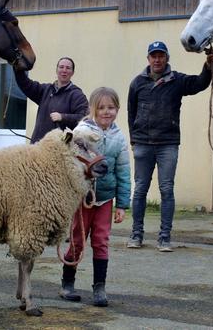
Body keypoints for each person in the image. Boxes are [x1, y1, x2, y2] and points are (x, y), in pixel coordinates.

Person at [126, 41, 213, 252]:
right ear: (148, 59)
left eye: (161, 56)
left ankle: (164, 238)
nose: (157, 60)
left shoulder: (177, 81)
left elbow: (200, 83)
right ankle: (136, 234)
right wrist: (134, 139)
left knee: (166, 190)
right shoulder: (137, 83)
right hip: (143, 144)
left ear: (167, 58)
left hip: (167, 144)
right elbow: (131, 112)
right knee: (140, 190)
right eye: (153, 56)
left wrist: (208, 66)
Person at [59, 87, 131, 307]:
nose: (106, 112)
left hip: (105, 198)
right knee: (78, 240)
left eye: (111, 108)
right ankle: (67, 283)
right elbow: (69, 162)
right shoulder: (80, 132)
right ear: (92, 109)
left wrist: (122, 204)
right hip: (83, 197)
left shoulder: (119, 137)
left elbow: (123, 171)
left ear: (117, 109)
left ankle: (99, 287)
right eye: (101, 108)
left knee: (101, 241)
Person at [13, 57, 89, 143]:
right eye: (61, 67)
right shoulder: (46, 90)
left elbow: (84, 119)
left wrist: (63, 117)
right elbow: (26, 84)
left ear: (72, 73)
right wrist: (18, 69)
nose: (64, 70)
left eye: (68, 68)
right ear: (56, 70)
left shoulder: (77, 95)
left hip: (60, 149)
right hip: (38, 146)